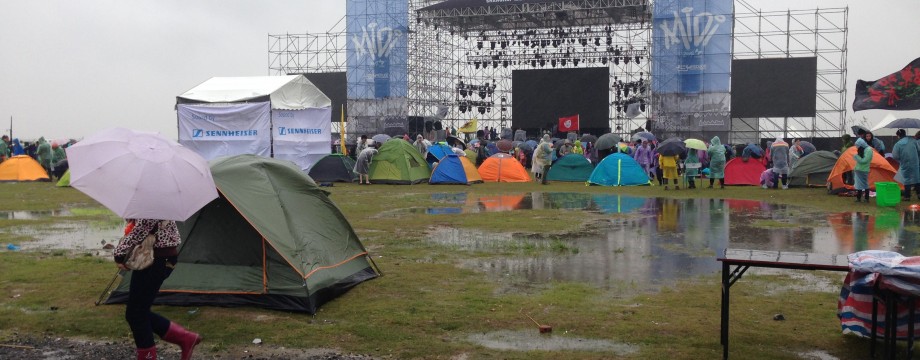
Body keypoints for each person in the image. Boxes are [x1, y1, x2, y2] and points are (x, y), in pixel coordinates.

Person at [114, 218, 201, 360]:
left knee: (136, 314)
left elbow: (142, 228)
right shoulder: (153, 200)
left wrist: (119, 253)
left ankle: (182, 340)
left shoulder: (153, 200)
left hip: (156, 259)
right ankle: (186, 338)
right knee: (136, 312)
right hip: (153, 257)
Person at [892, 129, 920, 200]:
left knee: (907, 179)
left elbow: (895, 156)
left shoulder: (898, 144)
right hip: (915, 162)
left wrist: (900, 159)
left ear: (898, 136)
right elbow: (918, 150)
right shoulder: (913, 141)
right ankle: (919, 194)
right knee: (916, 178)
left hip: (905, 163)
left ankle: (907, 196)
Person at [853, 138, 873, 202]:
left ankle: (865, 198)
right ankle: (860, 198)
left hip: (863, 169)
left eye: (858, 146)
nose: (857, 147)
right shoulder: (865, 149)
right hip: (859, 169)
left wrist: (856, 157)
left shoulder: (869, 150)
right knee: (860, 185)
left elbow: (864, 161)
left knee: (864, 184)